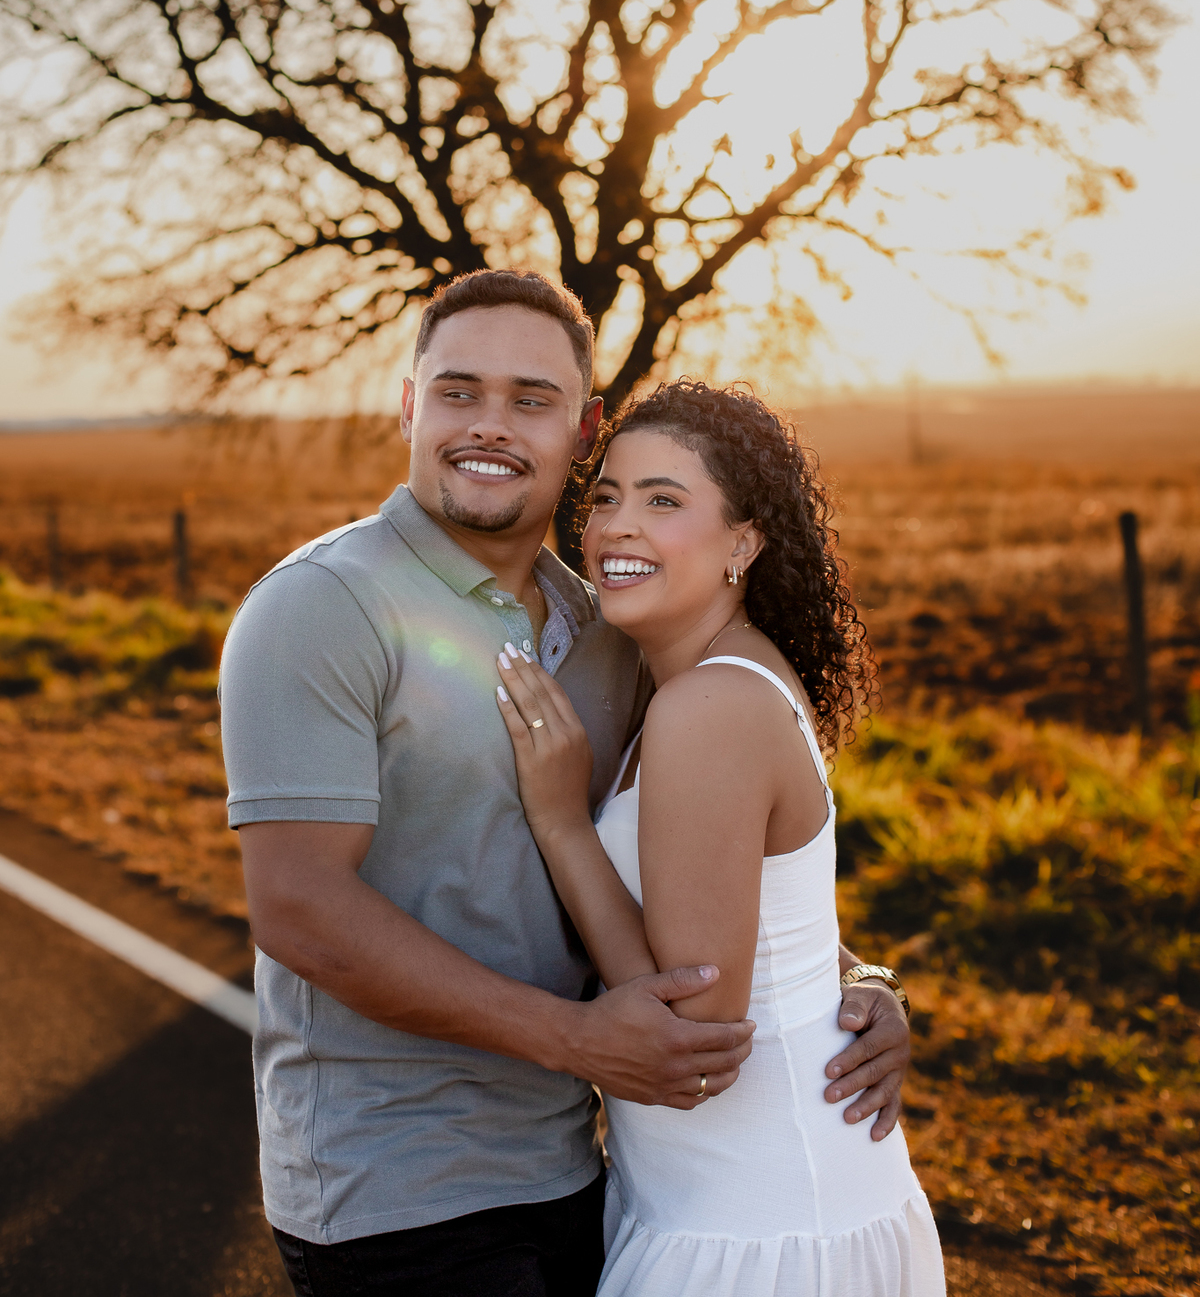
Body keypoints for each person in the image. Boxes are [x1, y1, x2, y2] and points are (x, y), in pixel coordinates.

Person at [219, 270, 914, 1297]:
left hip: (580, 1169)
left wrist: (855, 981)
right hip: (396, 1184)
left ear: (582, 430)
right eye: (458, 392)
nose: (489, 425)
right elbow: (298, 909)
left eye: (531, 399)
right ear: (410, 406)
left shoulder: (607, 631)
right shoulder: (321, 608)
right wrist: (577, 1039)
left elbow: (710, 869)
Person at [494, 376, 944, 1295]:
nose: (618, 526)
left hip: (761, 1229)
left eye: (664, 501)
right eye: (607, 496)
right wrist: (869, 977)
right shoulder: (708, 680)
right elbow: (768, 923)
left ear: (745, 541)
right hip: (727, 1198)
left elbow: (695, 1035)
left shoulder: (710, 704)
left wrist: (562, 822)